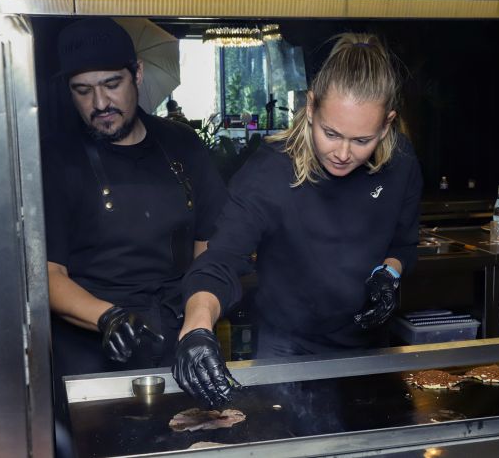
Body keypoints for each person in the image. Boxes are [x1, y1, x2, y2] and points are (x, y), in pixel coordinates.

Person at [171, 33, 423, 407]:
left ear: (387, 125)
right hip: (287, 346)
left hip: (368, 344)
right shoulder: (271, 171)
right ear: (311, 106)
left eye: (361, 140)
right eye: (331, 133)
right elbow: (219, 259)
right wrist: (196, 328)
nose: (342, 153)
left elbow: (403, 243)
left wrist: (388, 275)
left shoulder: (400, 162)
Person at [41, 17, 227, 452]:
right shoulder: (56, 160)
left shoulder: (182, 145)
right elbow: (46, 274)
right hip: (92, 354)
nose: (100, 103)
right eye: (82, 90)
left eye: (112, 84)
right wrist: (107, 316)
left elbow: (211, 250)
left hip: (178, 342)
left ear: (137, 74)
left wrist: (199, 324)